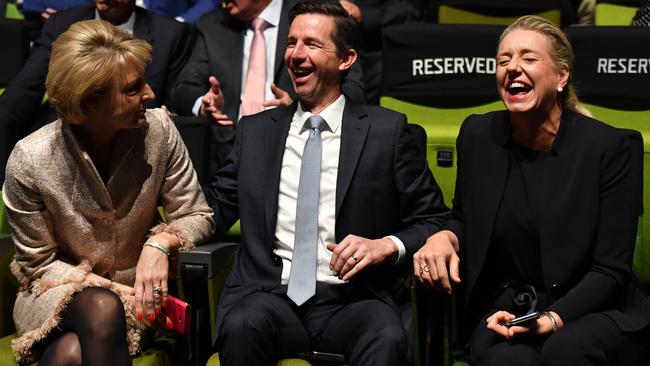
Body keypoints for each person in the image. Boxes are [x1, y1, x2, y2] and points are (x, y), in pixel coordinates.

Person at [204, 2, 447, 365]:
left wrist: (386, 245)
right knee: (241, 324)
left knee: (387, 336)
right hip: (270, 294)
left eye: (312, 45)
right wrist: (165, 236)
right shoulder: (256, 132)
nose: (296, 55)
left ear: (346, 59)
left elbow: (434, 219)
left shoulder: (387, 131)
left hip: (354, 300)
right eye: (290, 43)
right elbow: (216, 206)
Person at [413, 15, 650, 365]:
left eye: (528, 58)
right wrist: (444, 237)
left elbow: (610, 271)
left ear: (561, 76)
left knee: (564, 352)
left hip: (590, 307)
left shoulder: (609, 148)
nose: (513, 68)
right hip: (508, 307)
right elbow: (464, 217)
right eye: (504, 60)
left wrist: (551, 320)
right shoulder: (479, 136)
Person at [3, 19, 214, 365]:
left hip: (141, 299)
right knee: (103, 307)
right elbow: (38, 264)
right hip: (55, 297)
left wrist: (160, 243)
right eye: (133, 89)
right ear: (90, 104)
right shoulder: (31, 159)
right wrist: (114, 293)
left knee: (71, 354)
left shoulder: (159, 131)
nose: (150, 94)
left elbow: (197, 215)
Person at [0, 0, 196, 184]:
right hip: (68, 137)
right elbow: (24, 91)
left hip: (136, 143)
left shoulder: (171, 33)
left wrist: (198, 104)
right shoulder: (62, 23)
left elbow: (179, 93)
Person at [171, 0, 366, 178]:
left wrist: (301, 109)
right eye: (291, 43)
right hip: (226, 155)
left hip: (301, 148)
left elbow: (354, 89)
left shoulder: (312, 16)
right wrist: (204, 105)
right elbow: (182, 87)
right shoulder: (212, 25)